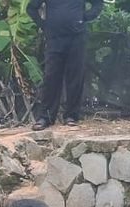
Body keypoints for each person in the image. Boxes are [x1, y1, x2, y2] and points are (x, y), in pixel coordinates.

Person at [27, 0, 104, 131]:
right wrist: (44, 25)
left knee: (75, 76)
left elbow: (98, 4)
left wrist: (85, 16)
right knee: (51, 77)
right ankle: (45, 117)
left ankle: (71, 116)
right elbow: (31, 8)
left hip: (77, 37)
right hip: (54, 38)